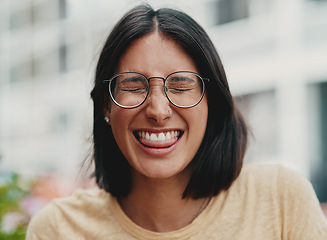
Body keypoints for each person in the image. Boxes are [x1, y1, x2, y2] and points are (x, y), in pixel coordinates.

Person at [26, 4, 327, 239]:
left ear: (213, 102)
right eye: (133, 86)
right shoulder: (56, 231)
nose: (158, 110)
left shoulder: (282, 201)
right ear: (106, 103)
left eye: (181, 86)